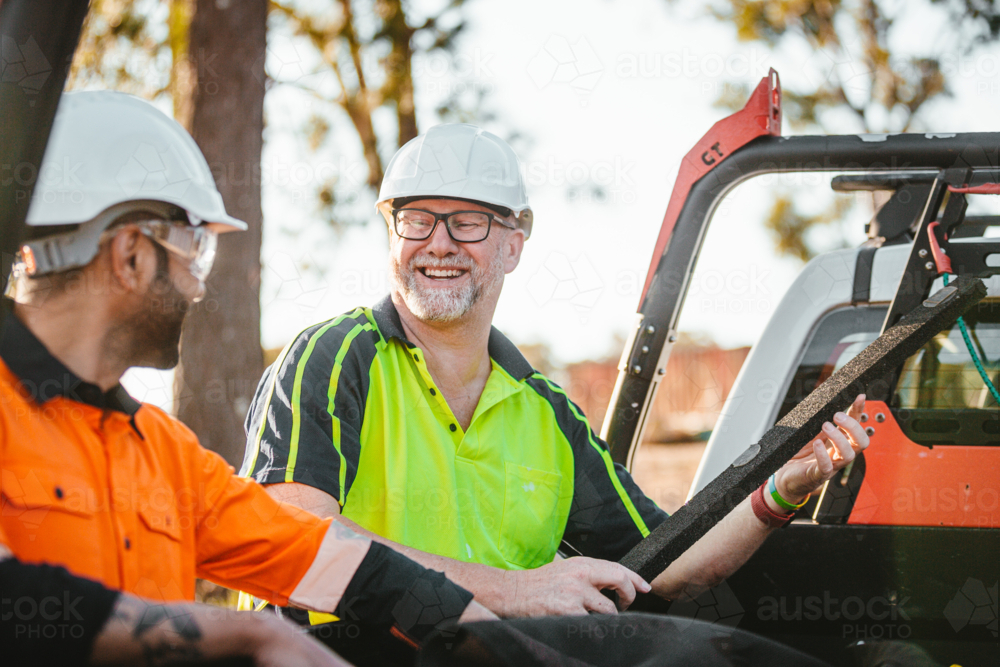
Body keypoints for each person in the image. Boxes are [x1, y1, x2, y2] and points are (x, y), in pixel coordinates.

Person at [241, 124, 869, 617]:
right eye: (416, 220)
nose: (437, 243)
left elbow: (667, 566)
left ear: (513, 244)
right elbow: (292, 545)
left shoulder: (545, 411)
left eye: (468, 222)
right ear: (390, 232)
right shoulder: (330, 360)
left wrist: (780, 490)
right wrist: (509, 592)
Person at [1, 91, 493, 665]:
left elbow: (317, 557)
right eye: (195, 250)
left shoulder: (162, 450)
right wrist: (252, 635)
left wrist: (487, 635)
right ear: (131, 254)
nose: (197, 285)